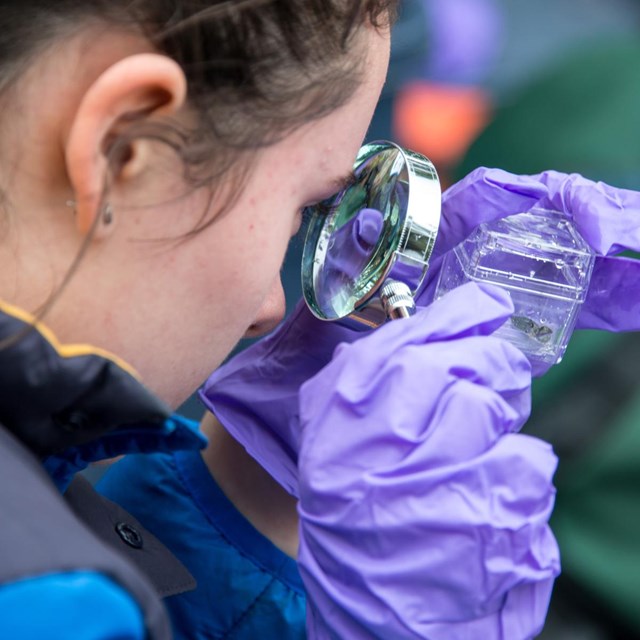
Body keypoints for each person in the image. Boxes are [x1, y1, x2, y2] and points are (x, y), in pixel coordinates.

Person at [1, 3, 639, 640]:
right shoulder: (45, 602)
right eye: (305, 204)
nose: (269, 310)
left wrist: (246, 497)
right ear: (125, 148)